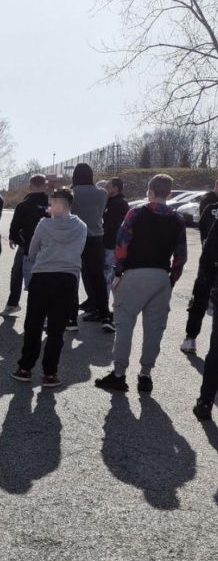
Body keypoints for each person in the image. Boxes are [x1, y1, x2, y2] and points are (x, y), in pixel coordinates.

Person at [96, 174, 187, 393]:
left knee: (125, 325)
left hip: (134, 274)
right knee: (155, 328)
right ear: (170, 194)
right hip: (161, 277)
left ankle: (119, 373)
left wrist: (118, 273)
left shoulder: (136, 213)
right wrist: (170, 280)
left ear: (149, 191)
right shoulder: (177, 219)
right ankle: (146, 374)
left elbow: (121, 244)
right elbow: (181, 256)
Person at [9, 188, 87, 388]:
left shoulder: (44, 224)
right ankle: (50, 373)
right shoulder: (81, 226)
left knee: (33, 324)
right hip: (68, 278)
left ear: (55, 204)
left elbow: (32, 250)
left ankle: (25, 368)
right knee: (56, 329)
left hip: (43, 276)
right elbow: (80, 250)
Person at [2, 173, 49, 315]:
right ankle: (43, 309)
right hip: (46, 246)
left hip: (25, 244)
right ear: (45, 186)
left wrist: (13, 238)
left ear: (30, 186)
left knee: (17, 273)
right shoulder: (50, 204)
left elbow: (15, 223)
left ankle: (12, 303)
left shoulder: (23, 204)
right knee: (43, 276)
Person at [71, 163, 110, 326]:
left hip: (75, 237)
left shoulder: (73, 193)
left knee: (73, 275)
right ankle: (104, 313)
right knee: (98, 277)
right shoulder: (102, 193)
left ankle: (70, 316)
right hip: (96, 237)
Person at [181, 219, 218, 354]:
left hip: (209, 265)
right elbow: (205, 236)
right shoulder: (208, 205)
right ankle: (190, 338)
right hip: (209, 268)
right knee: (199, 301)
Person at [101, 177, 129, 334]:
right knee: (108, 279)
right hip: (106, 245)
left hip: (112, 246)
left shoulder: (120, 204)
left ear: (116, 188)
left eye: (108, 185)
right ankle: (107, 309)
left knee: (109, 279)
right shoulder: (110, 202)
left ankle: (108, 312)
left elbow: (114, 227)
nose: (105, 187)